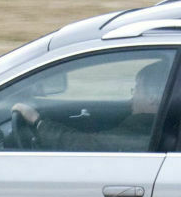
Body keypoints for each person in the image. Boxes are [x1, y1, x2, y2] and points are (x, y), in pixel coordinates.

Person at [10, 60, 166, 151]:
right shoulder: (155, 125)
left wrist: (38, 122)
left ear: (153, 96)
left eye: (137, 88)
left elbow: (87, 145)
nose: (133, 95)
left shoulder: (142, 129)